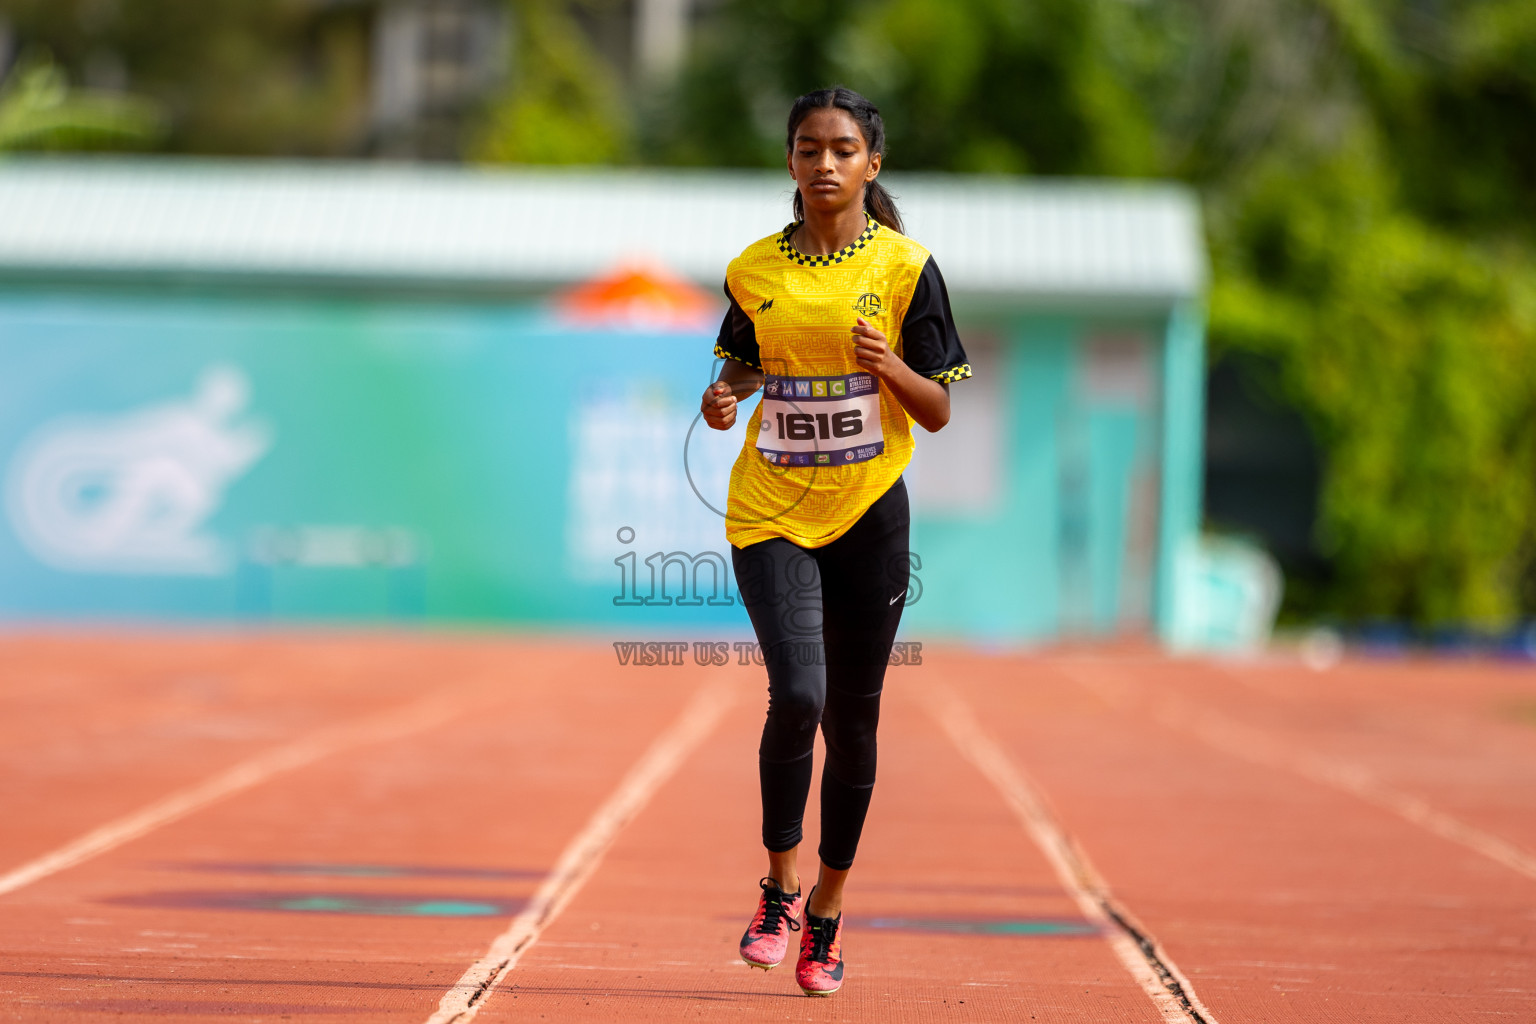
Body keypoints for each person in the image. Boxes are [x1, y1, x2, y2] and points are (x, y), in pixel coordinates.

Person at [700, 86, 971, 997]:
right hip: (771, 510)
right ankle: (777, 887)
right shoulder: (752, 269)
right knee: (801, 694)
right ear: (789, 162)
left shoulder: (906, 269)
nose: (825, 164)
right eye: (809, 148)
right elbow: (745, 359)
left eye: (843, 149)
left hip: (869, 516)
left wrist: (888, 365)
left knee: (856, 724)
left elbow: (935, 411)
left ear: (872, 165)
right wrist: (726, 394)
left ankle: (826, 911)